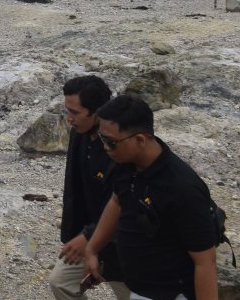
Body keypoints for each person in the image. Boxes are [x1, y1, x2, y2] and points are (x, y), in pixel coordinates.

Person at [83, 95, 220, 300]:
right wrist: (92, 249)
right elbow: (116, 201)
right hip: (138, 287)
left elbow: (205, 262)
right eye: (103, 139)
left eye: (111, 142)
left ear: (140, 139)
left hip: (170, 293)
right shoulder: (125, 163)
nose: (105, 148)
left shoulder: (182, 188)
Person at [49, 75, 130, 300]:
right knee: (61, 283)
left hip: (123, 245)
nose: (69, 119)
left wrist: (88, 237)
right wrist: (74, 237)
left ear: (97, 112)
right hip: (88, 235)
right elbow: (74, 191)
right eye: (67, 111)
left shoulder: (121, 148)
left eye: (75, 112)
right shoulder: (79, 134)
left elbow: (125, 205)